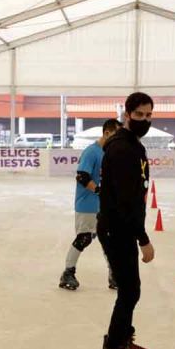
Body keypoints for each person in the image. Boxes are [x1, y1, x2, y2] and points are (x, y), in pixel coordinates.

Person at [97, 92, 156, 349]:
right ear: (127, 113)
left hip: (123, 227)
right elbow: (126, 200)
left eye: (148, 115)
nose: (145, 120)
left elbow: (137, 195)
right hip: (115, 228)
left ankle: (123, 342)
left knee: (131, 289)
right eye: (140, 115)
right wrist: (143, 238)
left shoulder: (134, 145)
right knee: (129, 291)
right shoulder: (121, 148)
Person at [60, 119, 120, 291]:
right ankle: (68, 273)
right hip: (87, 205)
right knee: (84, 239)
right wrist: (101, 191)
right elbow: (82, 177)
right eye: (115, 135)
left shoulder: (111, 153)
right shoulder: (92, 152)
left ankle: (114, 275)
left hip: (105, 207)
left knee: (109, 241)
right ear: (107, 133)